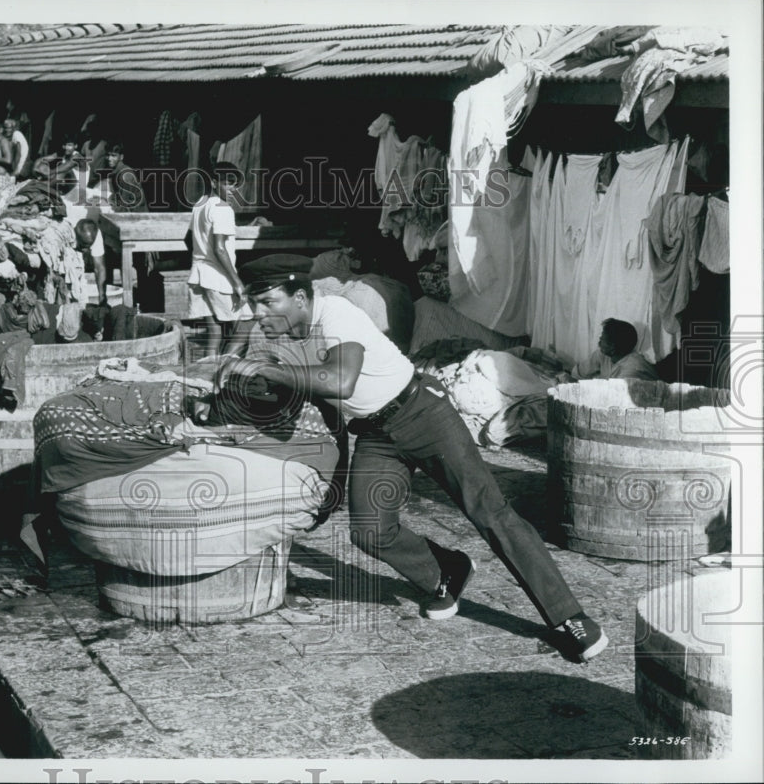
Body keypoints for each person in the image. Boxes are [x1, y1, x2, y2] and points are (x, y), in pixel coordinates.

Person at [219, 254, 609, 663]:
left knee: (490, 512)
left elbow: (340, 381)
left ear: (299, 297)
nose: (258, 313)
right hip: (375, 432)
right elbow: (320, 396)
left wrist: (262, 369)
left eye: (267, 302)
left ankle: (570, 618)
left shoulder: (336, 315)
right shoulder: (293, 334)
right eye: (254, 303)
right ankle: (446, 572)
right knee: (370, 531)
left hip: (422, 413)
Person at [187, 162, 254, 357]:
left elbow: (187, 239)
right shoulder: (223, 208)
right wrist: (237, 283)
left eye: (235, 185)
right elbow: (219, 248)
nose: (233, 189)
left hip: (198, 274)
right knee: (246, 323)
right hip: (218, 277)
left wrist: (201, 255)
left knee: (215, 331)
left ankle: (206, 374)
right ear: (214, 183)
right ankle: (228, 368)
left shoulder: (200, 204)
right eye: (228, 183)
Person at [572, 318, 659, 381]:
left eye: (603, 339)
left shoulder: (633, 369)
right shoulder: (603, 354)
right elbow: (577, 373)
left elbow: (615, 399)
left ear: (612, 347)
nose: (599, 341)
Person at [105, 143, 147, 212]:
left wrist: (107, 207)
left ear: (121, 157)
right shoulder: (116, 172)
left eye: (113, 155)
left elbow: (123, 207)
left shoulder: (125, 175)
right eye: (108, 155)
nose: (109, 158)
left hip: (138, 216)